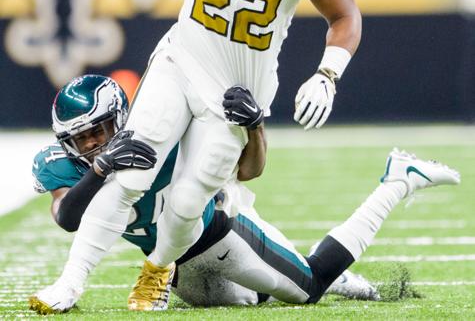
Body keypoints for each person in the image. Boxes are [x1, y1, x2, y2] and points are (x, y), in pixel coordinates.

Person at [38, 0, 364, 311]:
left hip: (238, 89)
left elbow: (346, 17)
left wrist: (327, 74)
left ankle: (158, 269)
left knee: (192, 200)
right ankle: (69, 284)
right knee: (131, 170)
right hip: (183, 59)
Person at [29, 74, 379, 314]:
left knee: (305, 287)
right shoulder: (62, 165)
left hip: (219, 227)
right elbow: (67, 218)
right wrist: (100, 169)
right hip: (173, 270)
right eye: (80, 139)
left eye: (99, 130)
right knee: (251, 300)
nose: (90, 143)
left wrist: (255, 127)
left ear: (121, 117)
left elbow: (249, 171)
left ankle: (390, 192)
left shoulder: (161, 132)